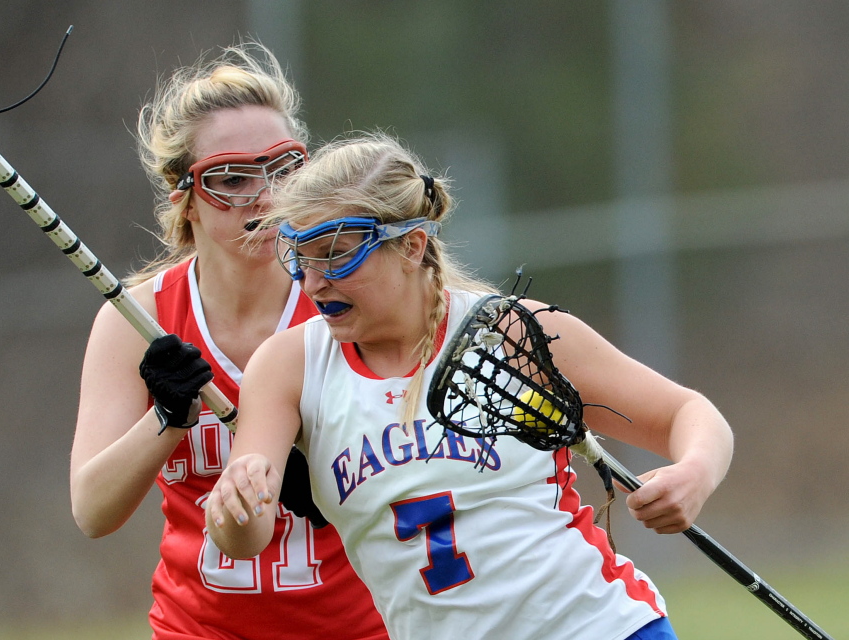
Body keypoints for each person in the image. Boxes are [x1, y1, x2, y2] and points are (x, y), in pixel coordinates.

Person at [205, 132, 735, 640]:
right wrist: (235, 507)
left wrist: (694, 474)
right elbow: (244, 539)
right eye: (300, 255)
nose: (314, 281)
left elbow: (687, 414)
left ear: (411, 246)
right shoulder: (290, 366)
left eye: (337, 253)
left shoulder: (513, 334)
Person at [69, 44, 389, 640]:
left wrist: (339, 480)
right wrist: (166, 418)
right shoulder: (137, 321)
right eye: (230, 178)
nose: (264, 197)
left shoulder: (346, 304)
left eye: (283, 168)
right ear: (184, 199)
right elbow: (92, 510)